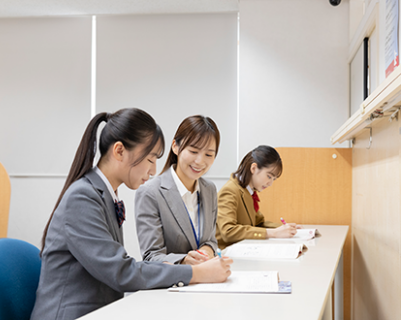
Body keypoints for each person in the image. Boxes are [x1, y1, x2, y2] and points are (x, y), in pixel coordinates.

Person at [30, 109, 232, 320]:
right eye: (150, 159)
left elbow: (122, 267)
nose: (153, 170)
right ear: (119, 151)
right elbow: (122, 272)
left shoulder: (104, 193)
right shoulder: (82, 197)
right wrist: (197, 273)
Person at [135, 115, 220, 265]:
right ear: (175, 146)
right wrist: (184, 261)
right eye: (193, 151)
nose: (200, 161)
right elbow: (151, 256)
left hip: (206, 280)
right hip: (173, 285)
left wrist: (207, 250)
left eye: (208, 154)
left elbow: (210, 240)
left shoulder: (209, 190)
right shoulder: (151, 193)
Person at [215, 145, 300, 249]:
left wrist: (286, 228)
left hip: (242, 250)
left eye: (273, 179)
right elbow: (228, 231)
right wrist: (273, 233)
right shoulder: (230, 191)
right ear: (253, 168)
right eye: (269, 176)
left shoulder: (247, 191)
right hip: (227, 255)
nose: (270, 184)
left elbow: (259, 223)